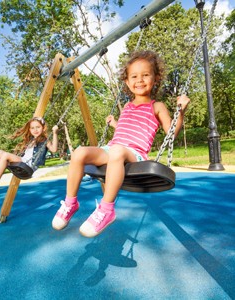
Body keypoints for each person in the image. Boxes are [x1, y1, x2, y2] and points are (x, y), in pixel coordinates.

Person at [52, 50, 190, 238]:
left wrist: (180, 111)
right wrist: (115, 124)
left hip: (136, 154)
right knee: (79, 152)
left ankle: (107, 209)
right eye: (134, 76)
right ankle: (70, 203)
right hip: (114, 148)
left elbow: (171, 132)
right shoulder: (126, 106)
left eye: (145, 75)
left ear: (156, 78)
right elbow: (124, 131)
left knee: (116, 151)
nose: (139, 80)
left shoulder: (157, 106)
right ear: (126, 81)